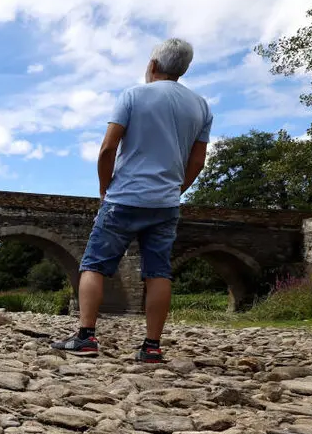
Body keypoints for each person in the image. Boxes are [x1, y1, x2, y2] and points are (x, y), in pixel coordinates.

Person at [51, 38, 212, 363]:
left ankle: (86, 337)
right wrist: (176, 190)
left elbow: (108, 148)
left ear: (152, 65)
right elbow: (197, 162)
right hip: (165, 202)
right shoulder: (201, 107)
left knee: (94, 264)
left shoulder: (133, 95)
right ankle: (151, 346)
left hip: (124, 198)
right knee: (159, 272)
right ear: (183, 69)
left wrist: (103, 188)